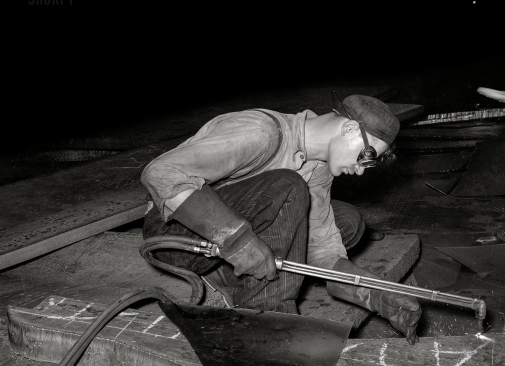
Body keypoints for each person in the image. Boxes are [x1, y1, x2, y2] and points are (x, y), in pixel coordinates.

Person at [141, 93, 422, 344]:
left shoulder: (319, 167)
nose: (361, 171)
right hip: (174, 234)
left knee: (347, 221)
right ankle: (270, 325)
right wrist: (237, 239)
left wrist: (376, 294)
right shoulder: (261, 133)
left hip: (222, 241)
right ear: (349, 128)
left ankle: (229, 277)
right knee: (288, 187)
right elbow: (160, 174)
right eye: (366, 156)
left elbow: (321, 252)